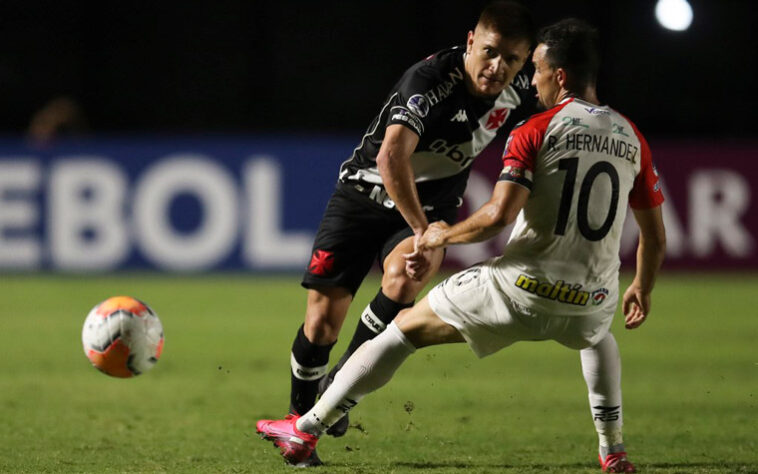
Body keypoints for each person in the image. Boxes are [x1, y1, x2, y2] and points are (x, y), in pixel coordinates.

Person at [257, 18, 666, 473]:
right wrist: (642, 288)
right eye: (497, 55)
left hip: (515, 283)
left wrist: (440, 233)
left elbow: (499, 216)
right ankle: (613, 450)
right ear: (471, 42)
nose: (521, 75)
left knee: (402, 329)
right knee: (599, 337)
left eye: (526, 65)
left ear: (558, 74)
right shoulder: (631, 136)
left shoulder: (532, 124)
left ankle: (311, 423)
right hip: (588, 300)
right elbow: (654, 235)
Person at [279, 1, 537, 466]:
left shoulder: (521, 88)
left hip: (432, 206)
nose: (498, 67)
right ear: (471, 40)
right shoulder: (431, 82)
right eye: (490, 52)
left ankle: (336, 392)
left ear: (525, 62)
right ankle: (300, 417)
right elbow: (390, 158)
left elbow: (563, 95)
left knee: (403, 278)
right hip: (364, 194)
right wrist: (425, 231)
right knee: (321, 324)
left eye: (512, 59)